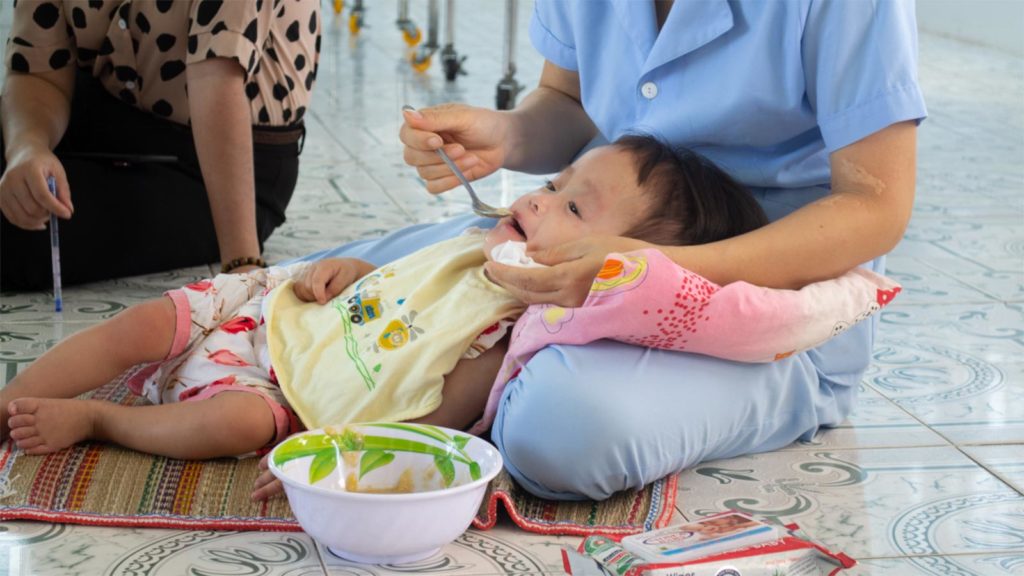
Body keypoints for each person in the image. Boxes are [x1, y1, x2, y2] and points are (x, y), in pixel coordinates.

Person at [307, 0, 927, 501]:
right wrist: (505, 135)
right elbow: (569, 102)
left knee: (559, 430)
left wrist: (642, 273)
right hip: (589, 246)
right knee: (332, 286)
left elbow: (874, 206)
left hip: (771, 312)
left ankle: (492, 378)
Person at [0, 136, 768, 471]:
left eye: (575, 209)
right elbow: (398, 278)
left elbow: (436, 416)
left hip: (279, 392)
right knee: (146, 321)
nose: (542, 201)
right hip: (271, 310)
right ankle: (17, 395)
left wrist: (344, 453)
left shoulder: (513, 333)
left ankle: (102, 419)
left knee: (232, 424)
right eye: (555, 182)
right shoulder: (478, 238)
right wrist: (344, 269)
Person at [1, 0, 320, 290]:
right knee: (17, 189)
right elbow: (40, 73)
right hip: (106, 111)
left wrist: (241, 266)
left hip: (224, 162)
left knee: (17, 236)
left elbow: (217, 79)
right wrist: (28, 148)